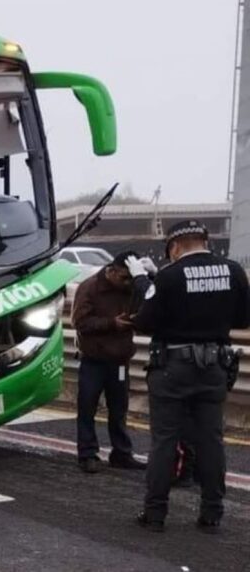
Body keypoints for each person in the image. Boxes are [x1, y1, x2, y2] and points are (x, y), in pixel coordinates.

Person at [126, 220, 250, 533]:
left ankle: (155, 514)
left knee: (165, 440)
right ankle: (212, 513)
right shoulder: (234, 270)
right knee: (211, 441)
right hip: (214, 366)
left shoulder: (169, 276)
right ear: (205, 241)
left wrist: (143, 281)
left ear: (175, 247)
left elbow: (144, 322)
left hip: (173, 367)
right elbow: (243, 319)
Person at [71, 250, 146, 473]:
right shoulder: (89, 287)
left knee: (119, 409)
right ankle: (87, 454)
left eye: (130, 278)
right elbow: (80, 322)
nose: (127, 282)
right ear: (111, 271)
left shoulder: (131, 288)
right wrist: (111, 324)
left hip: (120, 360)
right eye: (124, 277)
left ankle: (121, 453)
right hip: (93, 360)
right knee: (87, 408)